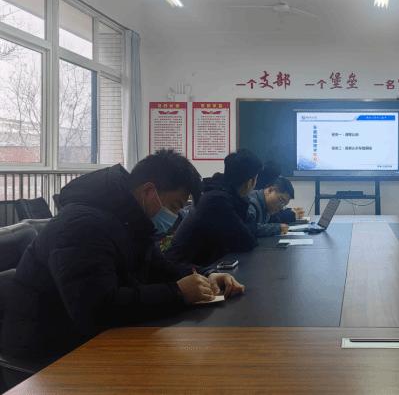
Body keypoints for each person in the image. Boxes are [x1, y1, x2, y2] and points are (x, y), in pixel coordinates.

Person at [0, 149, 244, 367]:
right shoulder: (83, 227)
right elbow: (97, 311)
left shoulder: (132, 221)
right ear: (148, 191)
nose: (175, 217)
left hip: (85, 340)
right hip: (47, 358)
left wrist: (206, 275)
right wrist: (178, 293)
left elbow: (159, 267)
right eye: (174, 205)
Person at [166, 149, 263, 266]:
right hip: (183, 270)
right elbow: (247, 242)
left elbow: (247, 233)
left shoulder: (230, 196)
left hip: (204, 266)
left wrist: (249, 227)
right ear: (249, 182)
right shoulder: (217, 200)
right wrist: (250, 225)